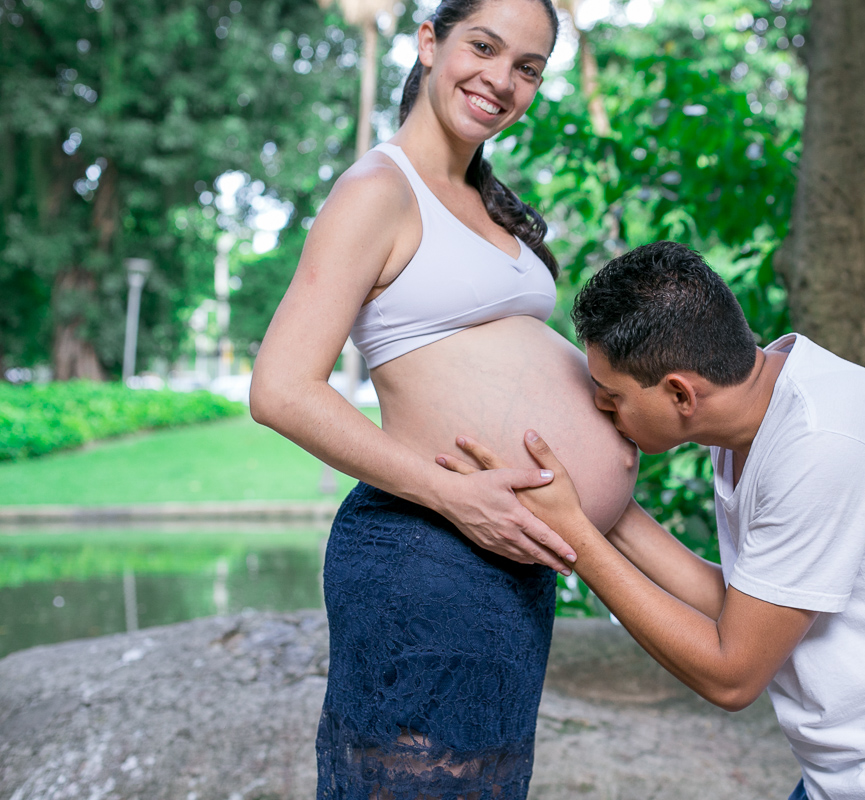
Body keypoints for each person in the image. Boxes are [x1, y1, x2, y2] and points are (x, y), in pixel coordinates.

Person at [440, 241, 865, 800]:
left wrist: (576, 538)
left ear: (680, 394)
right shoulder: (757, 409)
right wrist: (601, 508)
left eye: (610, 395)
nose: (602, 408)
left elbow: (733, 674)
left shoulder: (822, 447)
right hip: (849, 777)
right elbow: (742, 603)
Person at [247, 0, 638, 795]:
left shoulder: (490, 202)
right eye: (484, 47)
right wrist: (459, 498)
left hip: (504, 563)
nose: (503, 80)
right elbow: (280, 388)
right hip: (425, 551)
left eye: (528, 67)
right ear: (430, 43)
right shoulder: (377, 190)